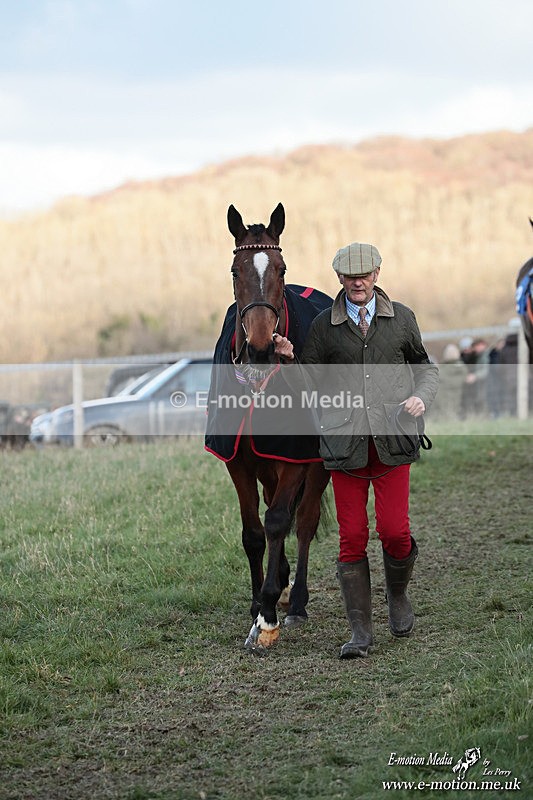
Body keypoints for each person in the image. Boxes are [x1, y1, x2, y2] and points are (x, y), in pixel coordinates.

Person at [277, 242, 439, 659]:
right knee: (351, 538)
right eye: (350, 277)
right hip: (344, 445)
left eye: (364, 275)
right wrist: (292, 361)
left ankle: (398, 597)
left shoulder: (401, 318)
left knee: (395, 532)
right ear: (340, 280)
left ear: (377, 274)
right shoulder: (323, 329)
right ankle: (360, 633)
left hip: (393, 441)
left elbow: (425, 367)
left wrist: (422, 396)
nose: (358, 282)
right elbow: (309, 386)